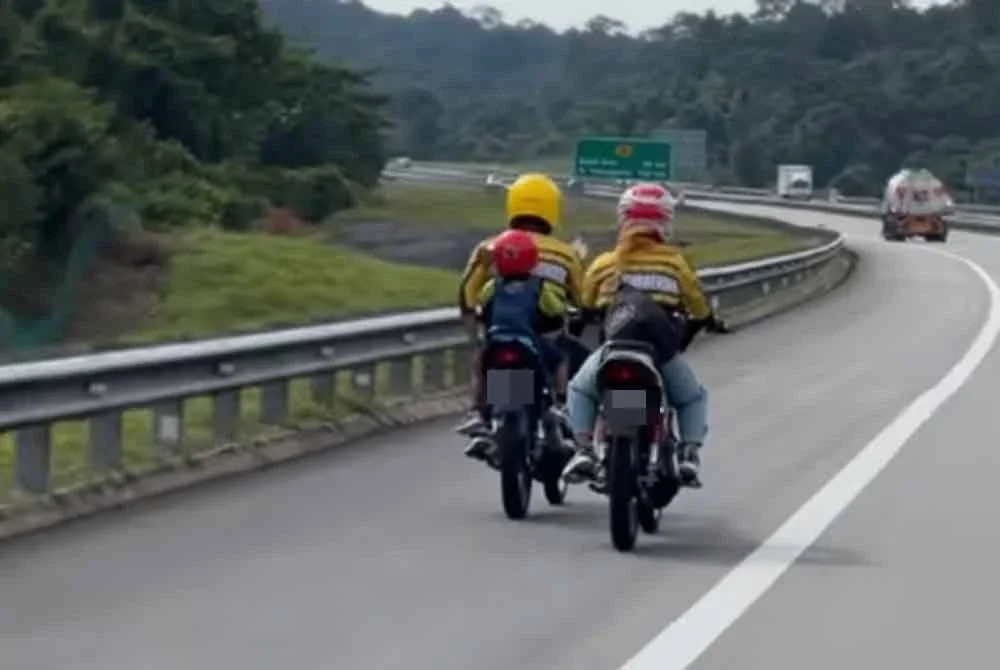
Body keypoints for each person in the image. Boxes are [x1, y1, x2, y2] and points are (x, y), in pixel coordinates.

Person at [561, 182, 723, 487]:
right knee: (690, 398)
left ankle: (583, 448)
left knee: (581, 390)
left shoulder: (606, 262)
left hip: (614, 348)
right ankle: (688, 454)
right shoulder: (674, 262)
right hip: (657, 352)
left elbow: (585, 302)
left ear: (624, 218)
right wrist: (707, 319)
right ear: (665, 221)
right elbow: (697, 304)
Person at [456, 173, 585, 438]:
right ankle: (561, 404)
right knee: (564, 356)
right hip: (545, 333)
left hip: (500, 328)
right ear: (552, 208)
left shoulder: (491, 247)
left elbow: (468, 289)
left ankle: (477, 411)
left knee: (481, 361)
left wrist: (473, 321)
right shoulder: (565, 253)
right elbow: (581, 298)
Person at [462, 229, 570, 464]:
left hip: (497, 345)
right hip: (527, 345)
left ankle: (477, 411)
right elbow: (555, 312)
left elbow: (482, 308)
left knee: (480, 367)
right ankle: (560, 403)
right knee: (560, 359)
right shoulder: (540, 287)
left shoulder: (492, 286)